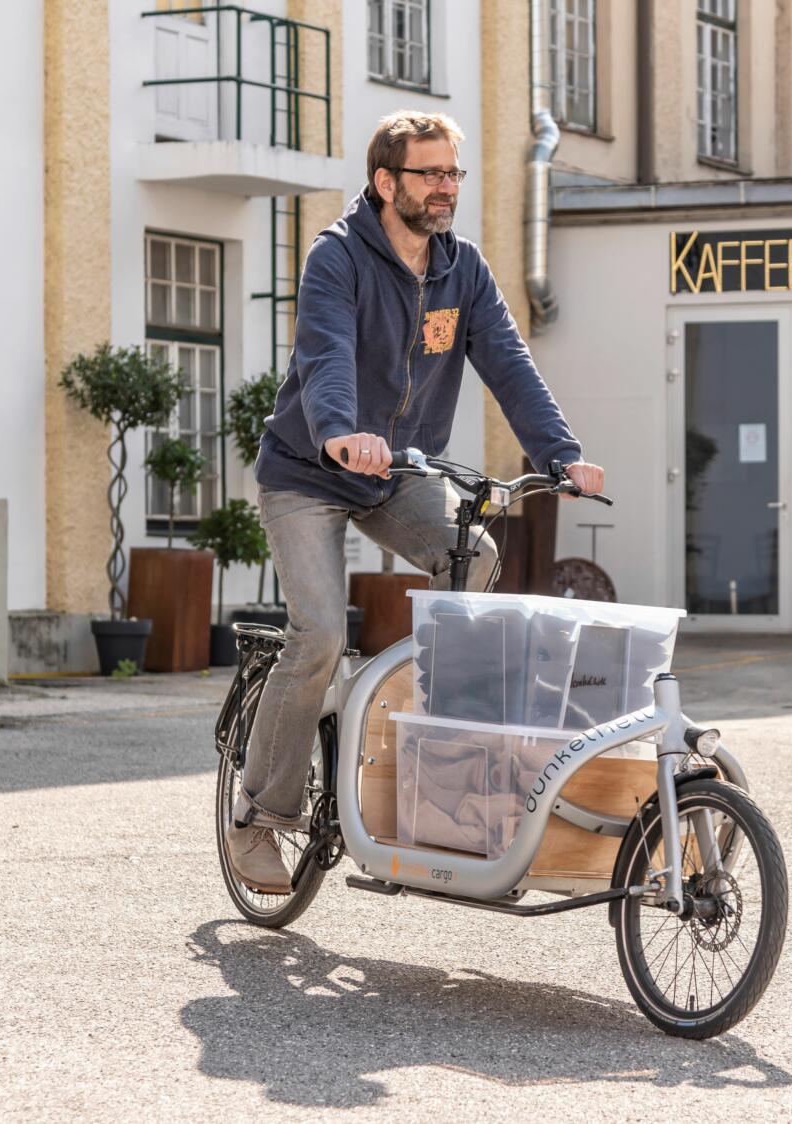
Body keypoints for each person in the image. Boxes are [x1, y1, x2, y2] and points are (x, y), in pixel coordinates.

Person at [226, 110, 604, 892]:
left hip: (397, 470)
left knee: (476, 561)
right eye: (430, 173)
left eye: (453, 173)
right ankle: (260, 815)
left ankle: (424, 749)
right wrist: (339, 431)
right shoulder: (338, 258)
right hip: (308, 470)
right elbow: (324, 351)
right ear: (385, 183)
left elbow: (508, 362)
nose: (446, 188)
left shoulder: (462, 269)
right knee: (321, 632)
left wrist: (560, 452)